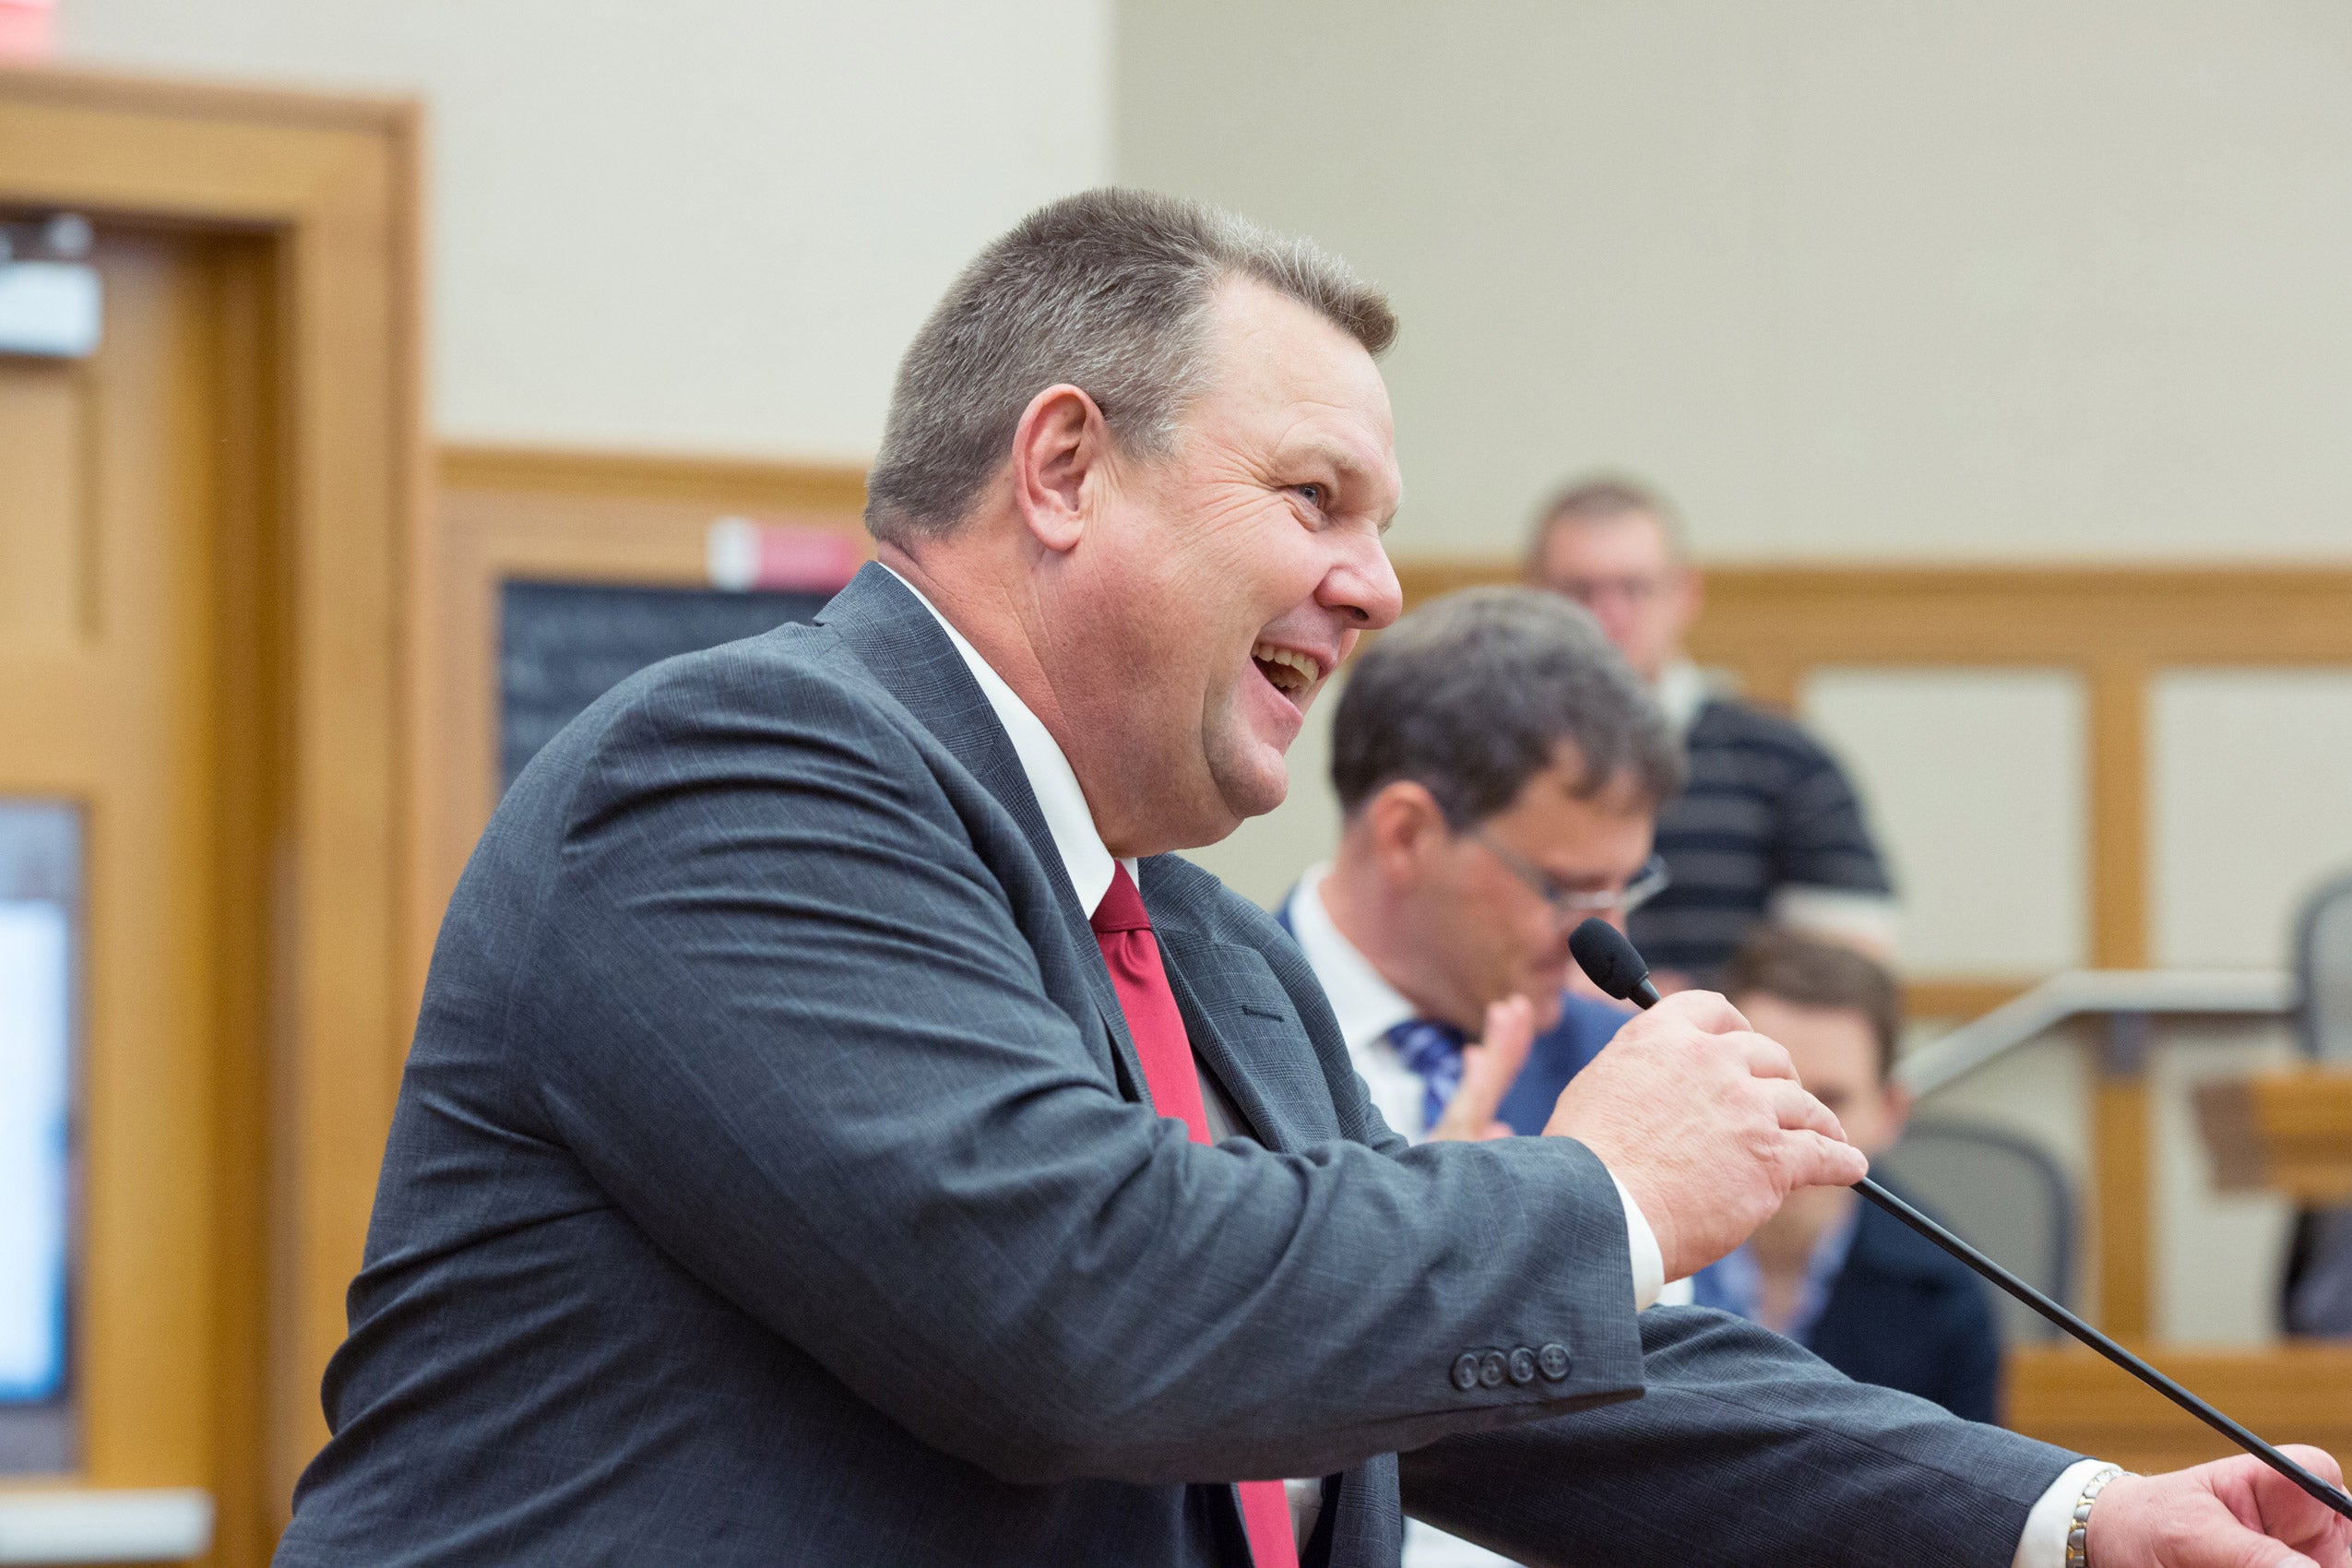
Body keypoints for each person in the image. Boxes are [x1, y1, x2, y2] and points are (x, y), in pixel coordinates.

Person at [275, 190, 2346, 1568]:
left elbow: (1484, 1387)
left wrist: (2072, 1518)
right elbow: (1080, 1309)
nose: (1378, 586)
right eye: (1315, 498)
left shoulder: (1199, 950)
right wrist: (1609, 1191)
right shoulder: (739, 779)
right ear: (1063, 469)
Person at [1275, 587, 1668, 1159]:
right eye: (1568, 891)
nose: (1611, 936)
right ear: (1407, 835)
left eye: (1625, 888)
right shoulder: (1190, 1031)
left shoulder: (1616, 1069)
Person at [1526, 478, 1897, 986]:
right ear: (1535, 598)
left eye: (1634, 588)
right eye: (1580, 591)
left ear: (1685, 594)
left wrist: (1684, 1009)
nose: (1609, 615)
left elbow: (1852, 968)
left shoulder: (1786, 760)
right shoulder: (1491, 762)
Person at [1687, 929, 2002, 1422]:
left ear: (1890, 1112)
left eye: (1830, 1100)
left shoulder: (1942, 1290)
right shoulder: (1628, 1249)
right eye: (1765, 1087)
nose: (1793, 1126)